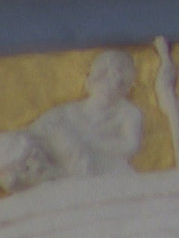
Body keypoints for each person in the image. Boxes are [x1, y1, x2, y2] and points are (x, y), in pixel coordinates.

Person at [0, 49, 143, 192]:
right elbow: (35, 133)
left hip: (105, 171)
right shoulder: (66, 113)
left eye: (119, 81)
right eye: (105, 77)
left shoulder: (128, 112)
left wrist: (89, 143)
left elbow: (130, 145)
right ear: (92, 81)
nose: (111, 85)